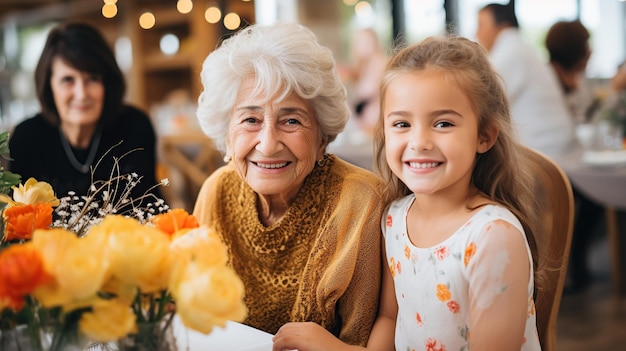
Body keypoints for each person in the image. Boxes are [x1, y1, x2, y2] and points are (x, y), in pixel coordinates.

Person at [274, 35, 543, 351]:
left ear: (484, 136)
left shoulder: (493, 237)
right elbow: (390, 318)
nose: (419, 142)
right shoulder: (395, 218)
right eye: (402, 124)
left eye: (443, 124)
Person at [193, 22, 385, 347]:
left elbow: (363, 341)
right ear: (226, 135)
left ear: (322, 136)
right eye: (250, 120)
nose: (268, 145)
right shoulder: (217, 191)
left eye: (291, 120)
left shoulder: (359, 202)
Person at [8, 22, 162, 206]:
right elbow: (17, 219)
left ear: (107, 83)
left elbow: (148, 207)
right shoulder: (27, 138)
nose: (81, 94)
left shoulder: (135, 127)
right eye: (68, 80)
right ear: (49, 85)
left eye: (92, 79)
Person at [545, 19, 604, 293]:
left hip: (574, 158)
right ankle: (572, 266)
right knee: (591, 196)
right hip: (552, 162)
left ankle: (578, 263)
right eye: (587, 47)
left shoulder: (579, 81)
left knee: (596, 196)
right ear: (576, 50)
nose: (590, 52)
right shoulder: (547, 80)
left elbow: (589, 117)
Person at [476, 3, 573, 158]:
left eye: (481, 25)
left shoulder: (510, 52)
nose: (477, 33)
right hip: (555, 141)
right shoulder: (520, 48)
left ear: (502, 25)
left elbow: (483, 101)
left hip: (543, 147)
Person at [338, 28, 388, 136]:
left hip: (376, 113)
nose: (364, 46)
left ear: (375, 42)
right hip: (366, 114)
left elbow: (371, 90)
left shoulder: (380, 62)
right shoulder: (362, 66)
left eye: (367, 41)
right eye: (361, 42)